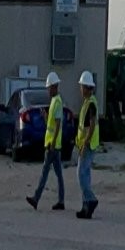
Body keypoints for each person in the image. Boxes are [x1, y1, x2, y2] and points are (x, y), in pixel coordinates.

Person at [29, 78, 75, 213]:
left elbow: (58, 124)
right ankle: (60, 201)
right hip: (53, 144)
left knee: (45, 172)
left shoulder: (58, 102)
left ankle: (36, 198)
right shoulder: (54, 102)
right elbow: (51, 124)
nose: (48, 90)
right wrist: (45, 116)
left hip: (52, 145)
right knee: (58, 174)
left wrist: (53, 143)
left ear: (54, 87)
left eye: (49, 88)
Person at [69, 69, 103, 218]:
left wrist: (84, 144)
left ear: (87, 87)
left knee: (81, 174)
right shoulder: (89, 102)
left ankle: (90, 199)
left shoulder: (90, 104)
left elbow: (91, 126)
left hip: (88, 144)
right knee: (86, 174)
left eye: (82, 86)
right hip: (87, 143)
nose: (80, 89)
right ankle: (86, 207)